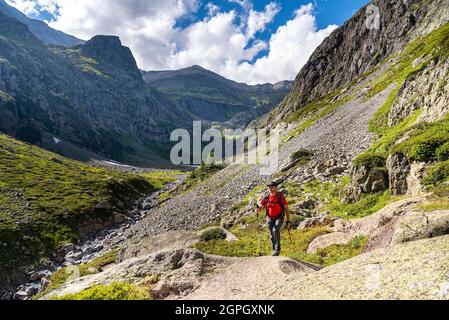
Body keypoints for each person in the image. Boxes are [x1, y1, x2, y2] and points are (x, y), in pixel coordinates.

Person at [257, 181, 292, 256]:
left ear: (276, 187)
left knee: (275, 230)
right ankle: (273, 249)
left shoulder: (280, 196)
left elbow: (286, 208)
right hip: (269, 218)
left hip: (279, 217)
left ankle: (277, 250)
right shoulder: (266, 197)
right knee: (271, 234)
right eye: (269, 187)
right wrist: (257, 209)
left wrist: (288, 220)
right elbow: (261, 208)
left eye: (272, 187)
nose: (270, 188)